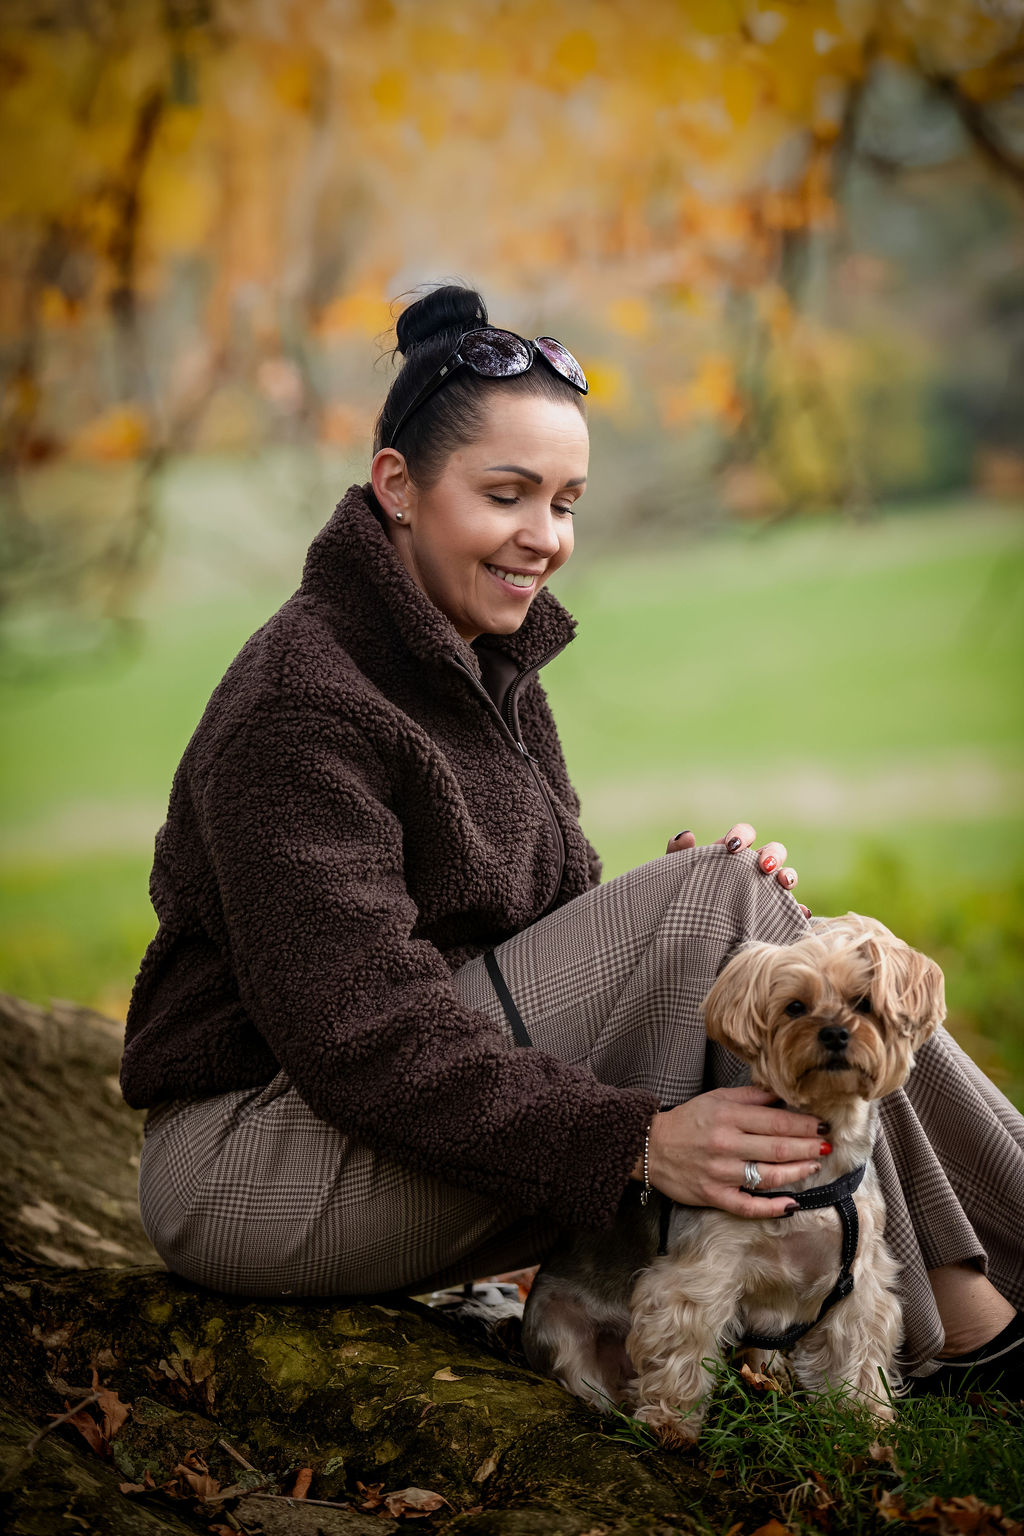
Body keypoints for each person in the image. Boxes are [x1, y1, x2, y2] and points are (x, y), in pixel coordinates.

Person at [121, 283, 1024, 1396]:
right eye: (508, 495)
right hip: (251, 1174)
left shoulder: (477, 659)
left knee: (730, 900)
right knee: (710, 905)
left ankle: (982, 1292)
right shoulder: (301, 706)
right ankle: (976, 1323)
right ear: (395, 487)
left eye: (566, 501)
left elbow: (523, 937)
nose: (545, 538)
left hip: (376, 1120)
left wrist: (689, 911)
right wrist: (635, 1142)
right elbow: (360, 1032)